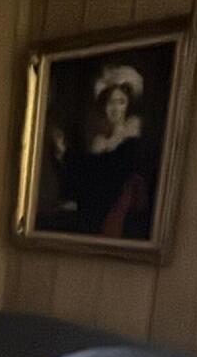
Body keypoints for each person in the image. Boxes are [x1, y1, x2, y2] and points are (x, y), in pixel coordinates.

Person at [48, 62, 153, 238]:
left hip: (117, 217)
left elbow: (107, 178)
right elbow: (89, 174)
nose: (115, 108)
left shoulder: (131, 141)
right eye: (111, 102)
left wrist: (67, 155)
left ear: (128, 105)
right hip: (95, 212)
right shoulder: (101, 142)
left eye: (121, 102)